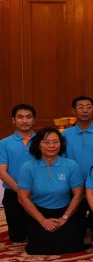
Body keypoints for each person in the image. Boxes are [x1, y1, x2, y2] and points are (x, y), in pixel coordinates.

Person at [17, 127, 84, 255]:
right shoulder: (28, 167)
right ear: (38, 145)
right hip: (38, 212)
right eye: (46, 142)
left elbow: (78, 195)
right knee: (39, 247)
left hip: (65, 211)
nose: (51, 145)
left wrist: (64, 218)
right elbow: (23, 198)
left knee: (73, 246)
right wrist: (42, 221)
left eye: (55, 141)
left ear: (61, 144)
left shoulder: (71, 165)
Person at [0, 103, 36, 242]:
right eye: (20, 117)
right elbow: (2, 173)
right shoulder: (4, 143)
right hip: (13, 194)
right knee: (17, 237)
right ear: (13, 120)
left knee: (39, 235)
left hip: (38, 194)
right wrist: (21, 191)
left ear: (34, 120)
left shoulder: (43, 141)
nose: (25, 120)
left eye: (28, 117)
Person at [63, 96, 93, 180]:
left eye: (89, 107)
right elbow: (62, 160)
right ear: (73, 111)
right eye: (80, 107)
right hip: (73, 182)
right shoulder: (65, 134)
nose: (85, 110)